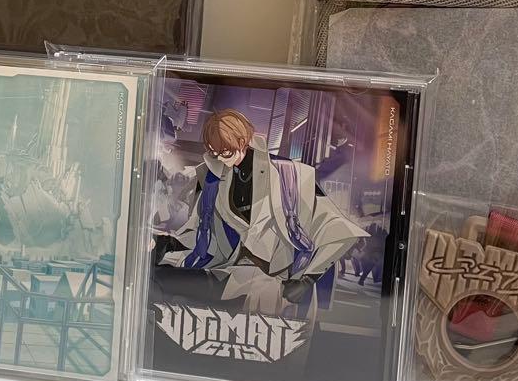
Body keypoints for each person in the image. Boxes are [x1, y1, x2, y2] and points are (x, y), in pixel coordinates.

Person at [155, 110, 366, 317]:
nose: (220, 158)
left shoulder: (291, 175)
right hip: (229, 273)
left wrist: (307, 280)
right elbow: (203, 233)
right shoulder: (214, 179)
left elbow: (339, 230)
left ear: (242, 141)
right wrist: (171, 243)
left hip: (276, 284)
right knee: (160, 279)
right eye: (214, 152)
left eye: (225, 152)